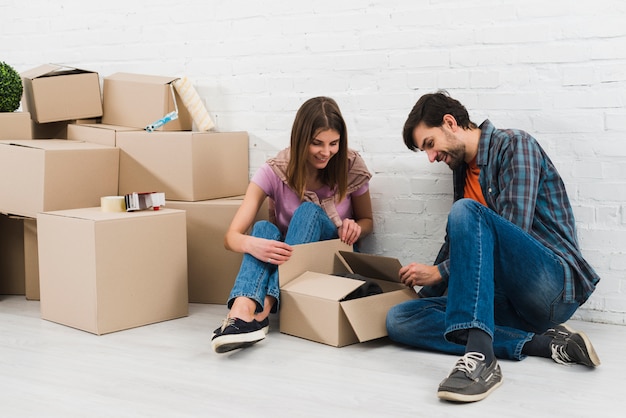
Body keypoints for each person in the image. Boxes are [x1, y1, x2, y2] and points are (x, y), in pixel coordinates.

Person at [386, 90, 601, 403]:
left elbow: (514, 232)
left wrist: (439, 274)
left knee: (465, 211)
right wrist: (423, 293)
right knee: (400, 319)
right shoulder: (462, 172)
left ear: (450, 123)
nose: (431, 158)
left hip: (550, 287)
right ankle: (541, 344)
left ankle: (481, 359)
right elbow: (458, 245)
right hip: (507, 299)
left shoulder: (515, 145)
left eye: (430, 145)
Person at [211, 96, 373, 354]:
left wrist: (355, 227)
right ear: (300, 139)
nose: (326, 152)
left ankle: (263, 308)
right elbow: (230, 237)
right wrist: (251, 242)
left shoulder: (350, 165)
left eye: (334, 143)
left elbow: (368, 222)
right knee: (263, 229)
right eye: (316, 143)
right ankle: (241, 311)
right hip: (291, 261)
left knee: (308, 211)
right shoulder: (275, 170)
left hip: (329, 261)